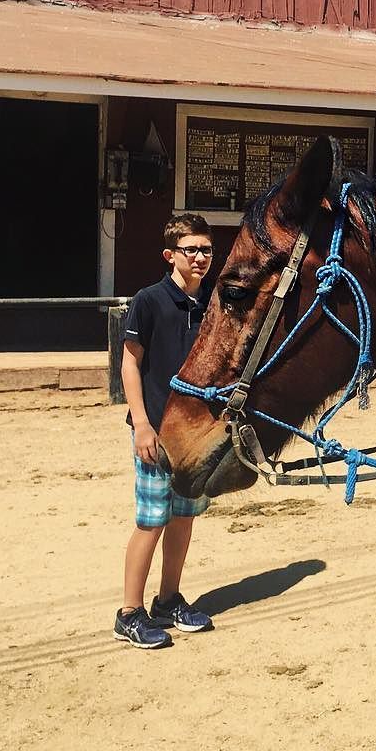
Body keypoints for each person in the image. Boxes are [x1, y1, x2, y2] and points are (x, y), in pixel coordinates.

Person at [114, 213, 216, 649]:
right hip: (156, 430)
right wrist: (140, 424)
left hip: (196, 433)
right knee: (151, 521)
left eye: (206, 249)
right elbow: (130, 362)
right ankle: (129, 612)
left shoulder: (212, 303)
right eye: (191, 249)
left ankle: (168, 599)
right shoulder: (149, 300)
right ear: (170, 254)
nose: (199, 257)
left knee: (184, 517)